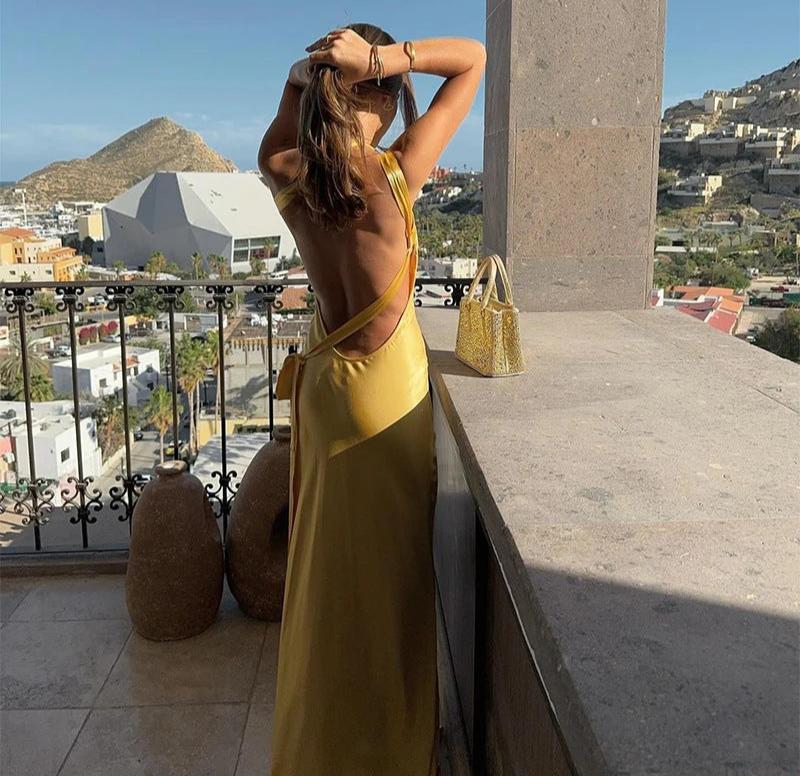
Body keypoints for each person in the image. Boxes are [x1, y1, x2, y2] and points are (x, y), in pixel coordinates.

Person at [258, 23, 485, 775]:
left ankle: (319, 751)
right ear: (380, 96)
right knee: (390, 588)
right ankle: (387, 753)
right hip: (385, 399)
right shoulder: (394, 175)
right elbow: (474, 60)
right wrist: (384, 59)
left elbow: (286, 116)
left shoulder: (287, 171)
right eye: (390, 91)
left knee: (325, 577)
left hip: (325, 391)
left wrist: (317, 73)